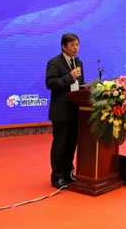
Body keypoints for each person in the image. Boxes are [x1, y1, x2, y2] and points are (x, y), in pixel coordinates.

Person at [45, 33, 84, 189]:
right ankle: (57, 177)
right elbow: (51, 83)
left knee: (71, 145)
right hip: (61, 112)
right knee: (59, 146)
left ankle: (68, 173)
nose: (76, 48)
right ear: (64, 46)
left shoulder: (78, 62)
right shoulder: (54, 62)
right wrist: (70, 76)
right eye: (73, 45)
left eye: (77, 45)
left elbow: (80, 85)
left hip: (75, 111)